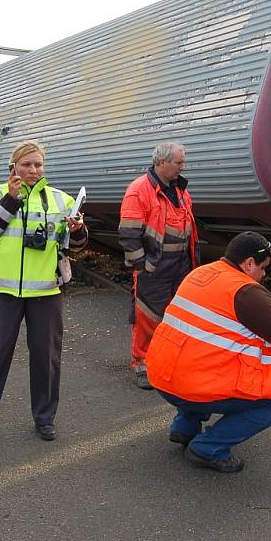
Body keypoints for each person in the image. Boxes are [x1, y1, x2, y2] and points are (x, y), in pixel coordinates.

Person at [146, 231, 271, 473]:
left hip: (161, 377)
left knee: (198, 359)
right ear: (249, 263)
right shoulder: (246, 291)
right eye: (263, 268)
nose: (264, 274)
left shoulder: (200, 273)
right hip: (191, 387)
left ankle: (184, 428)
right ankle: (208, 447)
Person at [0, 140, 88, 449]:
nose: (33, 170)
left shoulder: (60, 199)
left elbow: (75, 245)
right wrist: (10, 199)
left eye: (38, 164)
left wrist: (76, 230)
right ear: (14, 167)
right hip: (4, 291)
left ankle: (44, 419)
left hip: (47, 293)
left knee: (47, 357)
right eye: (27, 164)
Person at [118, 141, 197, 390]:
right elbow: (129, 234)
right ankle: (141, 363)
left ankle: (166, 360)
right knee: (148, 315)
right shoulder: (139, 190)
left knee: (176, 315)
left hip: (180, 265)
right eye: (178, 163)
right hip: (155, 267)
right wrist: (142, 266)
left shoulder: (180, 190)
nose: (182, 168)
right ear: (161, 162)